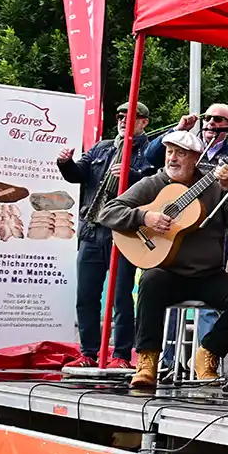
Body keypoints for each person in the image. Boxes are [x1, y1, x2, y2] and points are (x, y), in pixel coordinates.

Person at [97, 130, 228, 390]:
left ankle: (208, 353)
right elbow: (108, 212)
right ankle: (147, 361)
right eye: (169, 152)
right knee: (150, 282)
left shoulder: (214, 184)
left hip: (208, 273)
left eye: (180, 154)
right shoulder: (153, 183)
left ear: (195, 157)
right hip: (168, 271)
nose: (172, 158)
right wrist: (144, 218)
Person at [57, 101, 155, 370]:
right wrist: (64, 162)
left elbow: (153, 188)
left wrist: (130, 175)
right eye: (120, 116)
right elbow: (78, 174)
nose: (123, 120)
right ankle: (88, 352)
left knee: (122, 296)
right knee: (86, 295)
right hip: (92, 229)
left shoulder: (149, 151)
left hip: (123, 233)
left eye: (131, 116)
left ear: (144, 122)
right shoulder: (103, 147)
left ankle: (121, 355)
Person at [145, 103, 228, 172]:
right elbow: (151, 156)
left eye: (217, 119)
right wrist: (178, 129)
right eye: (207, 118)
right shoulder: (187, 145)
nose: (210, 122)